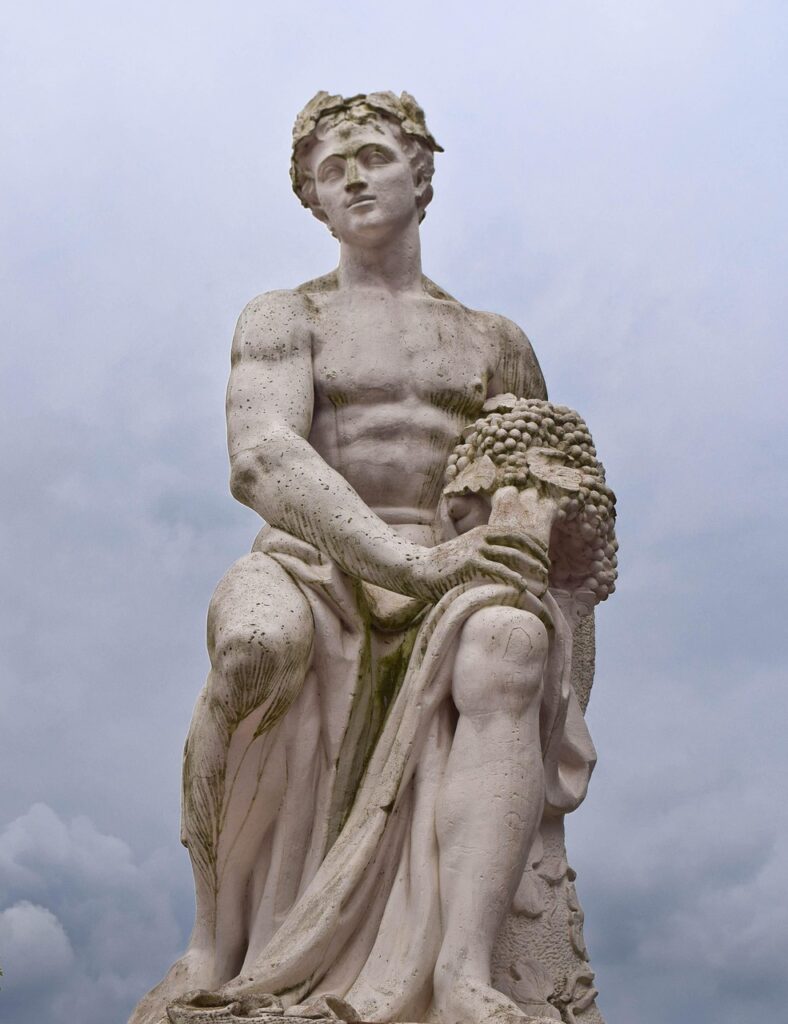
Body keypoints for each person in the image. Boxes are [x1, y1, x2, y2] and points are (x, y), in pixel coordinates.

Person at [131, 91, 595, 1024]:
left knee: (509, 642)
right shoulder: (284, 316)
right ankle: (214, 942)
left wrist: (546, 576)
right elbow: (262, 456)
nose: (353, 178)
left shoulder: (494, 340)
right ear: (312, 198)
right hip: (313, 557)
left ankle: (463, 972)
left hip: (453, 568)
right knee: (256, 645)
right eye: (330, 169)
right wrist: (399, 563)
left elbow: (543, 478)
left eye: (374, 156)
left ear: (420, 175)